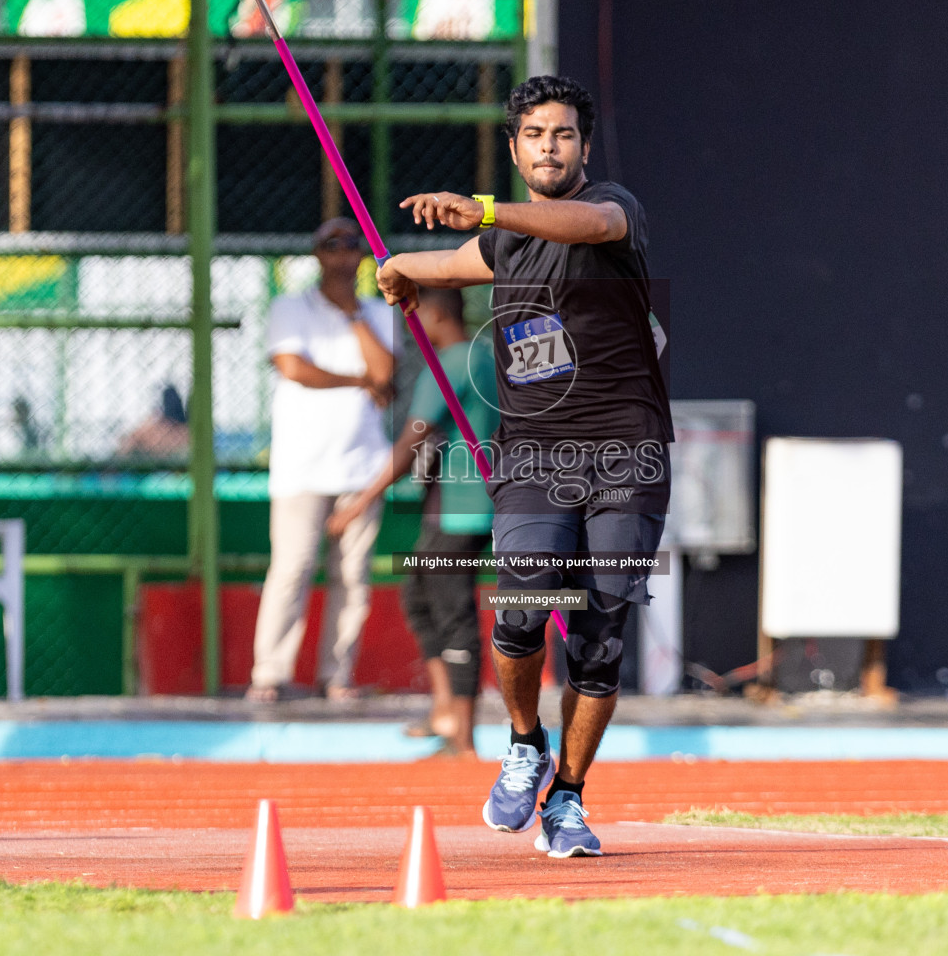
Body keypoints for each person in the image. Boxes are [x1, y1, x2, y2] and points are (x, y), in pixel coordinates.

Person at [377, 75, 672, 857]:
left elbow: (588, 222)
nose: (550, 146)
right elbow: (440, 265)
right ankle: (522, 742)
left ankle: (568, 799)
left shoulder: (613, 210)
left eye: (564, 134)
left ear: (584, 146)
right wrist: (400, 267)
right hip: (536, 456)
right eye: (536, 134)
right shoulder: (502, 243)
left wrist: (481, 208)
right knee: (522, 608)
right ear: (515, 147)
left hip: (625, 453)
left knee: (601, 633)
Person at [328, 287, 497, 756]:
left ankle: (462, 735)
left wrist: (359, 504)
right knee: (419, 596)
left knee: (451, 609)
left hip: (461, 504)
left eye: (414, 314)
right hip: (468, 500)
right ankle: (446, 710)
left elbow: (410, 444)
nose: (409, 323)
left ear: (437, 313)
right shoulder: (483, 357)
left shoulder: (448, 364)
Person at [249, 217, 396, 702]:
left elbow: (385, 371)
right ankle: (269, 675)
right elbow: (294, 368)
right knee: (291, 569)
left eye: (351, 245)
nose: (341, 253)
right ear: (316, 254)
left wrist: (353, 315)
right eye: (331, 244)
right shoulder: (289, 307)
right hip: (301, 467)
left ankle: (337, 675)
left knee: (352, 579)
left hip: (362, 467)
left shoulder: (378, 311)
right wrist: (358, 382)